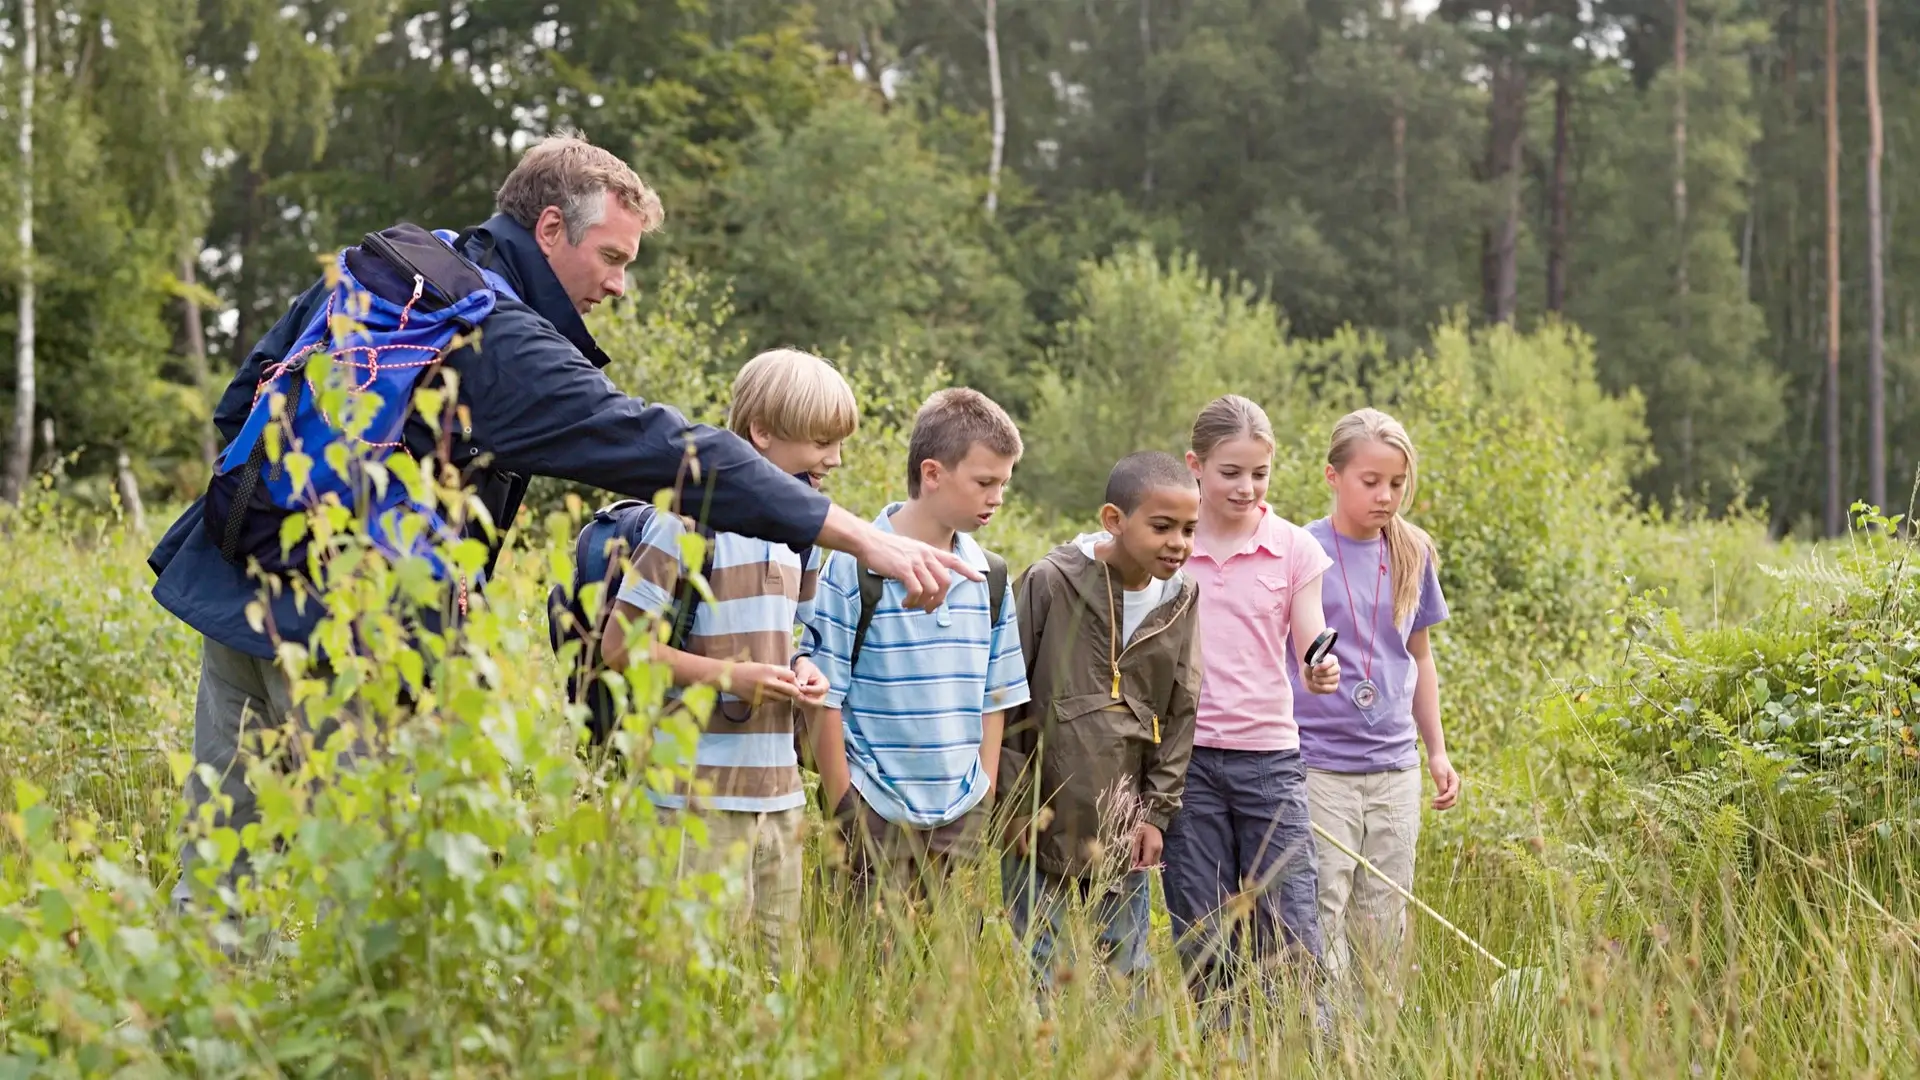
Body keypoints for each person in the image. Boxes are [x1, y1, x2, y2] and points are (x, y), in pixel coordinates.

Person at [152, 131, 975, 910]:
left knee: (222, 867)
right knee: (376, 892)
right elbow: (676, 454)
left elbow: (242, 404)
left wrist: (280, 533)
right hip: (353, 641)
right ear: (550, 228)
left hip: (238, 588)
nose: (619, 284)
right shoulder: (498, 337)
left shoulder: (393, 268)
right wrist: (864, 535)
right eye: (612, 257)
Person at [597, 348, 853, 968]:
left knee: (777, 981)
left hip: (781, 797)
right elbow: (620, 646)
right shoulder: (686, 524)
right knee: (696, 977)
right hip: (694, 798)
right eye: (820, 441)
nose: (835, 459)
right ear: (762, 434)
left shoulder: (805, 537)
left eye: (838, 443)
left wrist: (804, 670)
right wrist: (731, 678)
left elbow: (798, 638)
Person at [806, 388, 1030, 902]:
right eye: (984, 482)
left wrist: (984, 795)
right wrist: (845, 805)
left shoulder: (989, 576)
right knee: (859, 971)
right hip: (873, 811)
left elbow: (994, 698)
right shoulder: (852, 564)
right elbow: (825, 696)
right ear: (932, 473)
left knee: (944, 975)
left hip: (960, 815)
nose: (996, 497)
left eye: (1004, 484)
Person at [1161, 394, 1341, 1012]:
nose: (1245, 487)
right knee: (1203, 934)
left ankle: (1306, 1054)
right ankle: (1221, 1056)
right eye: (1229, 472)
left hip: (1268, 761)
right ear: (1196, 466)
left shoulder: (1294, 549)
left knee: (1289, 927)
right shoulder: (1171, 548)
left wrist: (1320, 667)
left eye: (1258, 473)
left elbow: (1310, 635)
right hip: (1188, 765)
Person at [998, 451, 1203, 989]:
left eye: (1188, 529)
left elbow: (1181, 709)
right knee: (1037, 961)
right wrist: (1014, 807)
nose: (1177, 543)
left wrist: (1155, 814)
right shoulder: (1049, 581)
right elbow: (1007, 696)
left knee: (1127, 968)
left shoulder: (1182, 598)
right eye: (1162, 527)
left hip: (1123, 819)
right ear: (1114, 519)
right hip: (1041, 815)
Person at [1293, 408, 1458, 989]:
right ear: (1333, 476)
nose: (1386, 496)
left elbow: (1420, 656)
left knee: (1383, 916)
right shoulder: (1301, 551)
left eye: (1397, 483)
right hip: (1318, 763)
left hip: (1393, 766)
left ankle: (1376, 1044)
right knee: (1321, 907)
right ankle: (1324, 1042)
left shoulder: (1412, 551)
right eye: (1371, 482)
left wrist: (1436, 751)